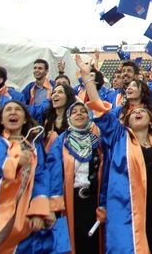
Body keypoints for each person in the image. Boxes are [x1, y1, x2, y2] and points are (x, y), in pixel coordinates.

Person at [76, 54, 152, 253]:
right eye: (133, 113)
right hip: (124, 207)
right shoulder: (120, 137)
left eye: (142, 112)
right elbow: (101, 111)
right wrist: (88, 79)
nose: (137, 112)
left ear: (151, 120)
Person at [0, 101, 49, 253]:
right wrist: (15, 162)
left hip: (24, 210)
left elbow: (40, 177)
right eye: (8, 110)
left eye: (18, 110)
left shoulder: (34, 147)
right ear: (1, 119)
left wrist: (38, 212)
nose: (13, 112)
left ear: (24, 119)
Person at [47, 102, 103, 254]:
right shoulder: (61, 141)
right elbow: (54, 173)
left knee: (93, 243)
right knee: (73, 242)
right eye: (74, 112)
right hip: (69, 200)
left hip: (93, 200)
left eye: (83, 111)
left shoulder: (98, 141)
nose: (79, 114)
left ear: (89, 116)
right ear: (68, 118)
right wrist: (54, 205)